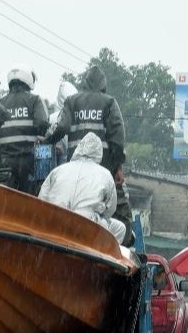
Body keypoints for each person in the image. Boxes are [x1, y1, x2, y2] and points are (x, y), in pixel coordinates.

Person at [47, 66, 132, 244]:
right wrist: (117, 167)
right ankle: (122, 253)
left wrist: (47, 139)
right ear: (103, 85)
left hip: (73, 168)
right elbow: (117, 138)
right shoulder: (109, 102)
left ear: (84, 83)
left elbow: (60, 128)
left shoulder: (72, 101)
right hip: (104, 170)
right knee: (120, 211)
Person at [38, 132, 126, 243]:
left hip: (55, 222)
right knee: (120, 229)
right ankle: (99, 256)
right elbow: (110, 210)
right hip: (87, 227)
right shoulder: (105, 174)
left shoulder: (58, 170)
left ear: (78, 148)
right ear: (99, 153)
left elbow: (41, 200)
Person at [0, 65, 50, 195]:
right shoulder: (35, 100)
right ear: (28, 83)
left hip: (4, 162)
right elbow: (43, 122)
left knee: (7, 198)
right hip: (29, 160)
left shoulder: (0, 103)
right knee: (32, 197)